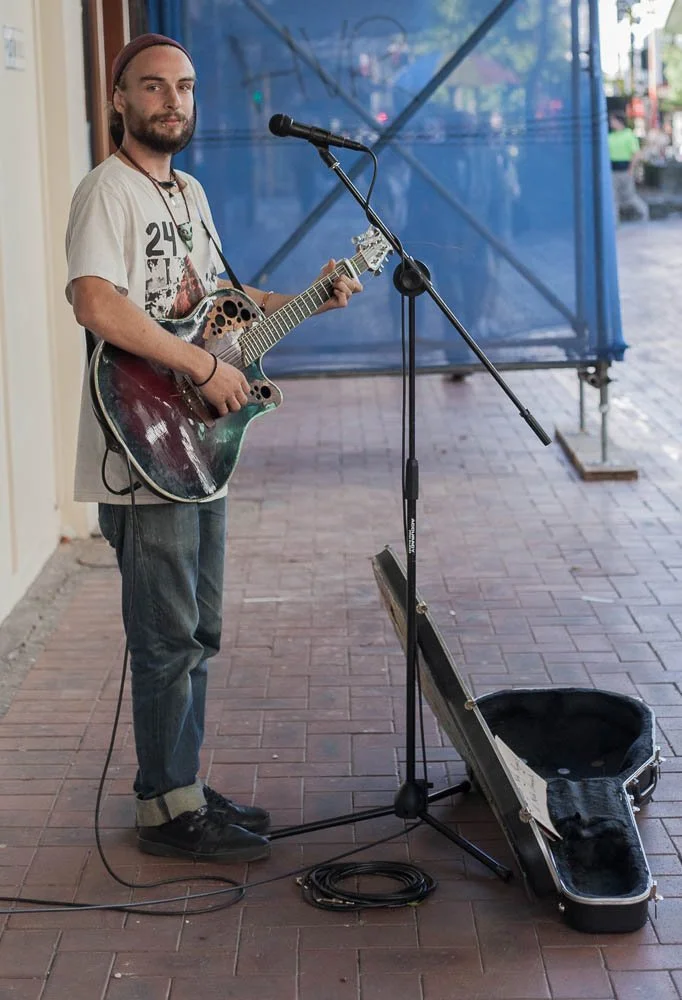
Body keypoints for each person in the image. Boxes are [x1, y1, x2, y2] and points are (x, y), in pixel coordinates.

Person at [65, 34, 362, 864]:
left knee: (200, 628)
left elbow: (223, 304)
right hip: (142, 440)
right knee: (166, 634)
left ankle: (180, 783)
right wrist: (197, 363)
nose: (173, 102)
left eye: (186, 89)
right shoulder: (107, 193)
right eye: (153, 88)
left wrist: (310, 299)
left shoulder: (190, 192)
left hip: (199, 442)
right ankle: (165, 810)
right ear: (119, 99)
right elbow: (97, 302)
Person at [608, 112, 649, 223]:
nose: (611, 123)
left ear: (619, 121)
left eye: (613, 120)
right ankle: (614, 221)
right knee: (613, 197)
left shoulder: (629, 135)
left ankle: (644, 212)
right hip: (612, 171)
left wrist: (631, 168)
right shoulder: (610, 136)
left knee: (629, 197)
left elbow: (636, 154)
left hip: (626, 170)